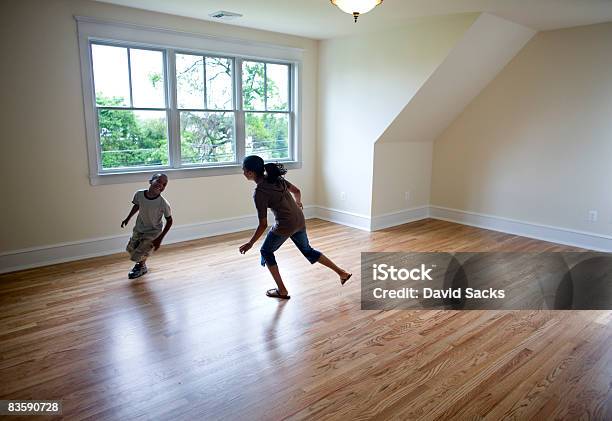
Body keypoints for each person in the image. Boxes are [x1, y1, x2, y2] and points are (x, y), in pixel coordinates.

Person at [239, 155, 351, 299]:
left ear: (251, 173)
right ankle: (341, 272)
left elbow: (263, 224)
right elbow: (297, 191)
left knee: (266, 252)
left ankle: (282, 290)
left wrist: (250, 243)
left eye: (244, 170)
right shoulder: (277, 179)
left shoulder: (259, 192)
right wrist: (298, 203)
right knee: (308, 250)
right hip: (299, 219)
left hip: (285, 224)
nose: (243, 173)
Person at [121, 173, 173, 279]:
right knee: (131, 249)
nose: (161, 185)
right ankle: (141, 264)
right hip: (140, 227)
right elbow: (137, 205)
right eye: (158, 181)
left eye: (164, 184)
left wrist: (160, 239)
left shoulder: (163, 203)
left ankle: (141, 266)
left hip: (153, 231)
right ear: (150, 181)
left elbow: (169, 221)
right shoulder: (139, 194)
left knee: (140, 252)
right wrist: (128, 218)